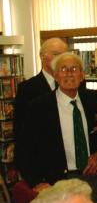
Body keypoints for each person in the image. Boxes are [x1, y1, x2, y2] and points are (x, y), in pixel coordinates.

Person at [17, 52, 97, 203]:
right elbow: (24, 150)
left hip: (95, 177)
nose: (69, 73)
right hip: (59, 181)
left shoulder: (93, 99)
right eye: (63, 69)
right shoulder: (38, 108)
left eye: (74, 69)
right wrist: (37, 182)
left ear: (82, 75)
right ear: (56, 76)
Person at [14, 37, 68, 171]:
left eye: (64, 54)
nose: (61, 58)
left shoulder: (75, 84)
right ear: (42, 56)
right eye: (56, 54)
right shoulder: (27, 89)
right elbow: (21, 131)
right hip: (45, 163)